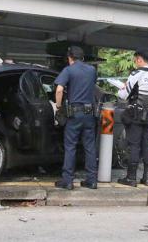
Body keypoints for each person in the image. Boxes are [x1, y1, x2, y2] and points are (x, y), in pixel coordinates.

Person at [117, 48, 148, 187]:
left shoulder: (136, 74)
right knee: (147, 144)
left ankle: (131, 178)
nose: (135, 62)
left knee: (134, 145)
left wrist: (122, 88)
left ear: (139, 59)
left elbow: (123, 95)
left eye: (135, 60)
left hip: (135, 115)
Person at [54, 46, 97, 190]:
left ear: (70, 58)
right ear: (83, 58)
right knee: (90, 147)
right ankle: (92, 180)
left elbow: (59, 89)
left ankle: (68, 180)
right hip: (90, 114)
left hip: (75, 114)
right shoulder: (92, 70)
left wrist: (59, 107)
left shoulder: (68, 70)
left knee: (70, 146)